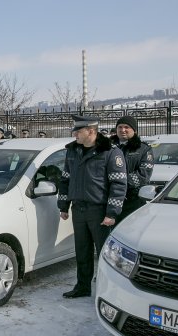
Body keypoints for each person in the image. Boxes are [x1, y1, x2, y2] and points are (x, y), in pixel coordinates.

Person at [58, 115, 127, 299]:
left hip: (99, 211)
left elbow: (119, 185)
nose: (75, 135)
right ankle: (83, 287)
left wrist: (112, 213)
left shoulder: (110, 152)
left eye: (78, 131)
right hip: (78, 209)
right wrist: (63, 205)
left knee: (105, 253)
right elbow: (65, 179)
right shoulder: (72, 151)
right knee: (82, 251)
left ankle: (108, 291)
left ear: (91, 131)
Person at [111, 116, 154, 224]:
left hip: (132, 200)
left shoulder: (143, 149)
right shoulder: (107, 147)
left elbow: (143, 175)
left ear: (134, 130)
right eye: (120, 127)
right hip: (109, 200)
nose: (122, 130)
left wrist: (119, 184)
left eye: (127, 127)